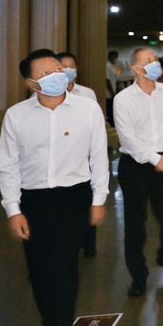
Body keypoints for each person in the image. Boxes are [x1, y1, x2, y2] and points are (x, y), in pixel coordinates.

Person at [0, 49, 108, 326]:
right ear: (30, 82)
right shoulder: (16, 116)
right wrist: (13, 209)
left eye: (58, 68)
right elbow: (7, 166)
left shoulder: (87, 109)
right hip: (33, 201)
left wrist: (99, 199)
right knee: (40, 271)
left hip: (74, 198)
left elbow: (99, 157)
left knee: (64, 270)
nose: (56, 75)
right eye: (45, 72)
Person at [114, 48, 163, 297]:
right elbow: (128, 138)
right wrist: (156, 159)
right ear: (135, 68)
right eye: (148, 60)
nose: (155, 63)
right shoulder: (123, 99)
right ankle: (138, 275)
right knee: (136, 223)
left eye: (155, 59)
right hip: (135, 165)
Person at [57, 52, 100, 257]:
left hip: (83, 155)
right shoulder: (41, 94)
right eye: (63, 65)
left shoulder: (87, 94)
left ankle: (88, 241)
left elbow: (95, 125)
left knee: (86, 200)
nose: (68, 69)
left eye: (71, 65)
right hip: (58, 156)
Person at [106, 50, 118, 126]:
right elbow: (107, 80)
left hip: (112, 91)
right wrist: (112, 92)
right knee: (109, 111)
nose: (116, 59)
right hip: (108, 93)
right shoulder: (107, 66)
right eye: (115, 57)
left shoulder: (112, 66)